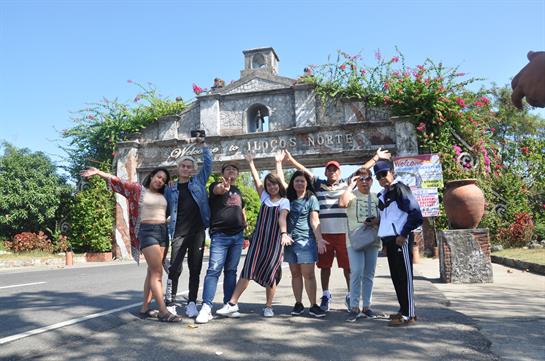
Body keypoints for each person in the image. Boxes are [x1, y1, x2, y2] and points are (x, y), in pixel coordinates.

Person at [284, 148, 390, 312]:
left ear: (339, 173)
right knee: (324, 267)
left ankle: (350, 295)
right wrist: (290, 160)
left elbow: (363, 169)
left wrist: (376, 157)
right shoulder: (318, 184)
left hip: (344, 233)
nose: (332, 172)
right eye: (329, 169)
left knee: (348, 267)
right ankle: (326, 294)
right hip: (324, 233)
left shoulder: (346, 182)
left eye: (335, 170)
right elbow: (304, 171)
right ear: (326, 172)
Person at [79, 166, 181, 322]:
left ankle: (145, 308)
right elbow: (119, 182)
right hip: (147, 232)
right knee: (157, 272)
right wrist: (99, 173)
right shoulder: (138, 189)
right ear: (152, 175)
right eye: (158, 177)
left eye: (163, 180)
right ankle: (163, 311)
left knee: (151, 271)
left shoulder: (164, 194)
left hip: (163, 232)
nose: (160, 181)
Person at [216, 152, 291, 318]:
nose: (271, 187)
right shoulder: (264, 197)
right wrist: (251, 163)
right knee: (247, 270)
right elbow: (257, 180)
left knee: (271, 273)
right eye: (269, 185)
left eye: (274, 184)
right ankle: (232, 304)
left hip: (274, 242)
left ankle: (269, 307)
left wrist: (284, 233)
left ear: (279, 185)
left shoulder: (284, 202)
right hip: (258, 241)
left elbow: (282, 218)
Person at [163, 136, 211, 318]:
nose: (186, 168)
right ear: (178, 168)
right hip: (178, 232)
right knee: (174, 268)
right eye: (183, 166)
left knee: (195, 267)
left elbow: (208, 163)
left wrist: (203, 145)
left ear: (193, 170)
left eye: (189, 166)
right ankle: (171, 303)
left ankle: (192, 303)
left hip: (198, 232)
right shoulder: (170, 188)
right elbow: (164, 208)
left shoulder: (198, 182)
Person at [373, 159, 423, 327]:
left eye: (384, 174)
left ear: (392, 173)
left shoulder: (400, 189)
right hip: (390, 240)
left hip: (401, 239)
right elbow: (388, 220)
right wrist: (375, 223)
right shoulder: (382, 195)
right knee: (396, 277)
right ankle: (403, 309)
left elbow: (415, 214)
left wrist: (403, 234)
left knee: (405, 277)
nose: (382, 178)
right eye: (378, 176)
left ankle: (411, 315)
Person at [196, 163, 246, 324]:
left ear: (238, 174)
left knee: (231, 271)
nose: (231, 170)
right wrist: (222, 188)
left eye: (234, 169)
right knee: (214, 270)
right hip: (220, 235)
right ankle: (206, 308)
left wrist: (244, 230)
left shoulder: (238, 192)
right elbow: (218, 189)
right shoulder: (215, 187)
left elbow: (241, 211)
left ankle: (228, 305)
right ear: (223, 173)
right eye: (228, 169)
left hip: (237, 236)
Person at [278, 162, 327, 318]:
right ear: (293, 183)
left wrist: (319, 239)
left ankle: (313, 305)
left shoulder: (311, 198)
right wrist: (279, 163)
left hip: (306, 241)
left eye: (302, 181)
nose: (299, 183)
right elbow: (280, 179)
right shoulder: (288, 197)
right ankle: (298, 303)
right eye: (297, 180)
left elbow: (314, 220)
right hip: (290, 242)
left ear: (307, 183)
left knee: (309, 274)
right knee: (295, 274)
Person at [338, 167, 382, 322]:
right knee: (356, 271)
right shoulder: (351, 195)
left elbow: (384, 216)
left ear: (372, 180)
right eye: (360, 179)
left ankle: (367, 306)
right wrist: (350, 185)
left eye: (367, 178)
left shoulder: (377, 197)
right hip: (355, 240)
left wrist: (376, 221)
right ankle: (354, 307)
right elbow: (342, 203)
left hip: (372, 239)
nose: (364, 182)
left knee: (369, 274)